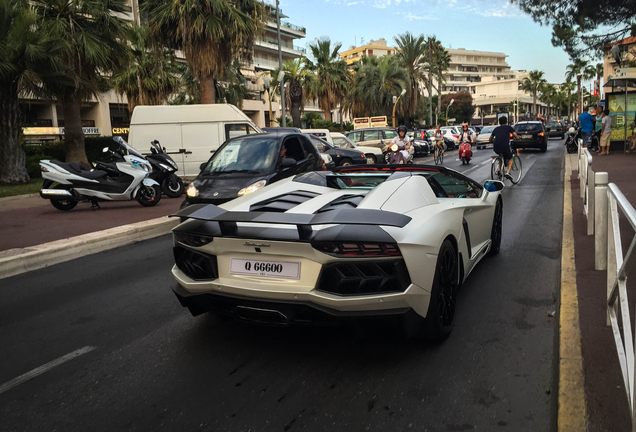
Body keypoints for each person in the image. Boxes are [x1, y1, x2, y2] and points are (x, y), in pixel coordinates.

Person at [489, 116, 520, 180]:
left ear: (499, 122)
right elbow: (516, 136)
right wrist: (518, 138)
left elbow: (490, 139)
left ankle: (499, 170)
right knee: (510, 158)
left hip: (496, 146)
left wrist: (494, 140)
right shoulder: (509, 128)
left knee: (501, 156)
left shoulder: (496, 129)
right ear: (506, 122)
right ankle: (508, 172)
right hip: (504, 146)